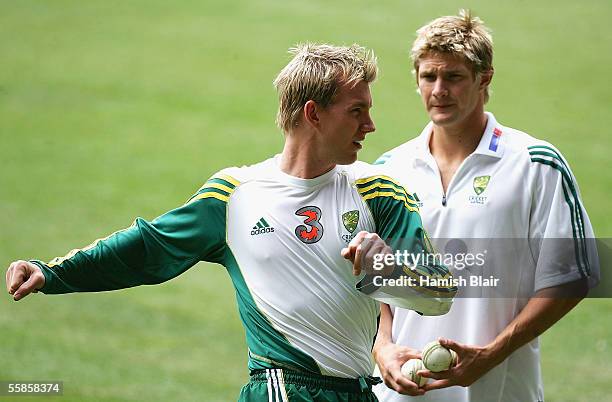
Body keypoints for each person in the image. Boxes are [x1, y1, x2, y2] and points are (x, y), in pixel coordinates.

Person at [5, 43, 455, 402]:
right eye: (356, 111)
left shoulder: (379, 191)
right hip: (280, 391)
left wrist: (385, 268)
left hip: (358, 393)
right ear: (313, 114)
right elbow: (147, 248)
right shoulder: (233, 195)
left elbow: (440, 296)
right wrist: (53, 272)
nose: (371, 125)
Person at [371, 10, 600, 402]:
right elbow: (375, 278)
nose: (439, 90)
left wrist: (490, 355)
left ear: (484, 77)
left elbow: (575, 274)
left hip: (501, 392)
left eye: (454, 77)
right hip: (399, 395)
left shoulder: (535, 163)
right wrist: (382, 348)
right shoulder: (388, 171)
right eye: (428, 77)